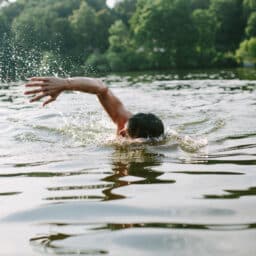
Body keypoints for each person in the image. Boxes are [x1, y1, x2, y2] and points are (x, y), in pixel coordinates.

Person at [24, 77, 164, 139]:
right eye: (124, 129)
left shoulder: (151, 144)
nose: (120, 132)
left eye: (127, 133)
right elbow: (101, 87)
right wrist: (65, 83)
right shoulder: (125, 120)